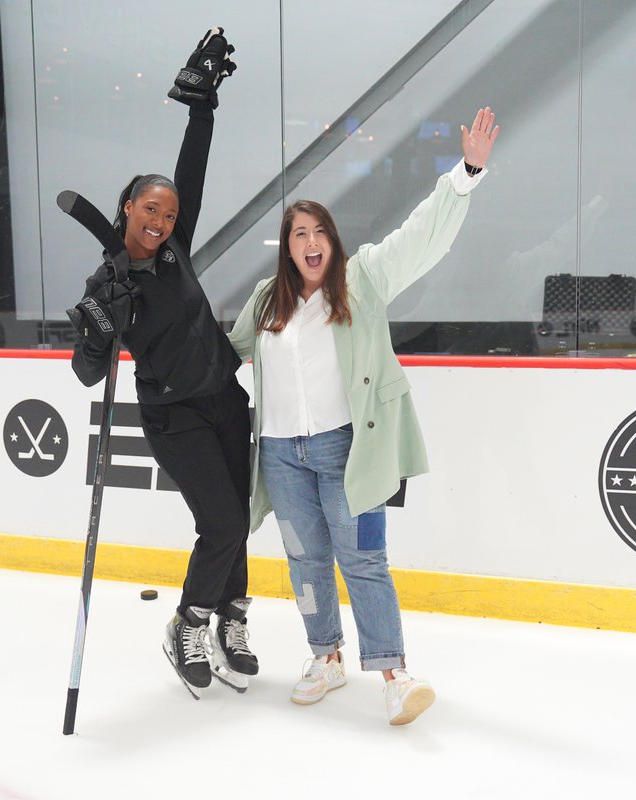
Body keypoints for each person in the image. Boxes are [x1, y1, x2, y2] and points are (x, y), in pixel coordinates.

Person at [228, 106, 500, 725]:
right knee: (304, 559)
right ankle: (325, 657)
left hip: (346, 451)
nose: (309, 242)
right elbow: (229, 353)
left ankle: (394, 674)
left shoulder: (365, 279)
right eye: (298, 233)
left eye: (318, 231)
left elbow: (420, 235)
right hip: (280, 455)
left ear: (332, 240)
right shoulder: (266, 301)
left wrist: (466, 172)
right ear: (286, 246)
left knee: (364, 560)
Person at [69, 28, 256, 699]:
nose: (162, 218)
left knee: (239, 515)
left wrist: (201, 104)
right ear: (127, 208)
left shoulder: (173, 252)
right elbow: (87, 372)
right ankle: (189, 621)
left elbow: (193, 166)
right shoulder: (106, 286)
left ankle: (233, 617)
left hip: (225, 400)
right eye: (151, 208)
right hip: (173, 414)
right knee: (223, 523)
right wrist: (98, 329)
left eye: (170, 212)